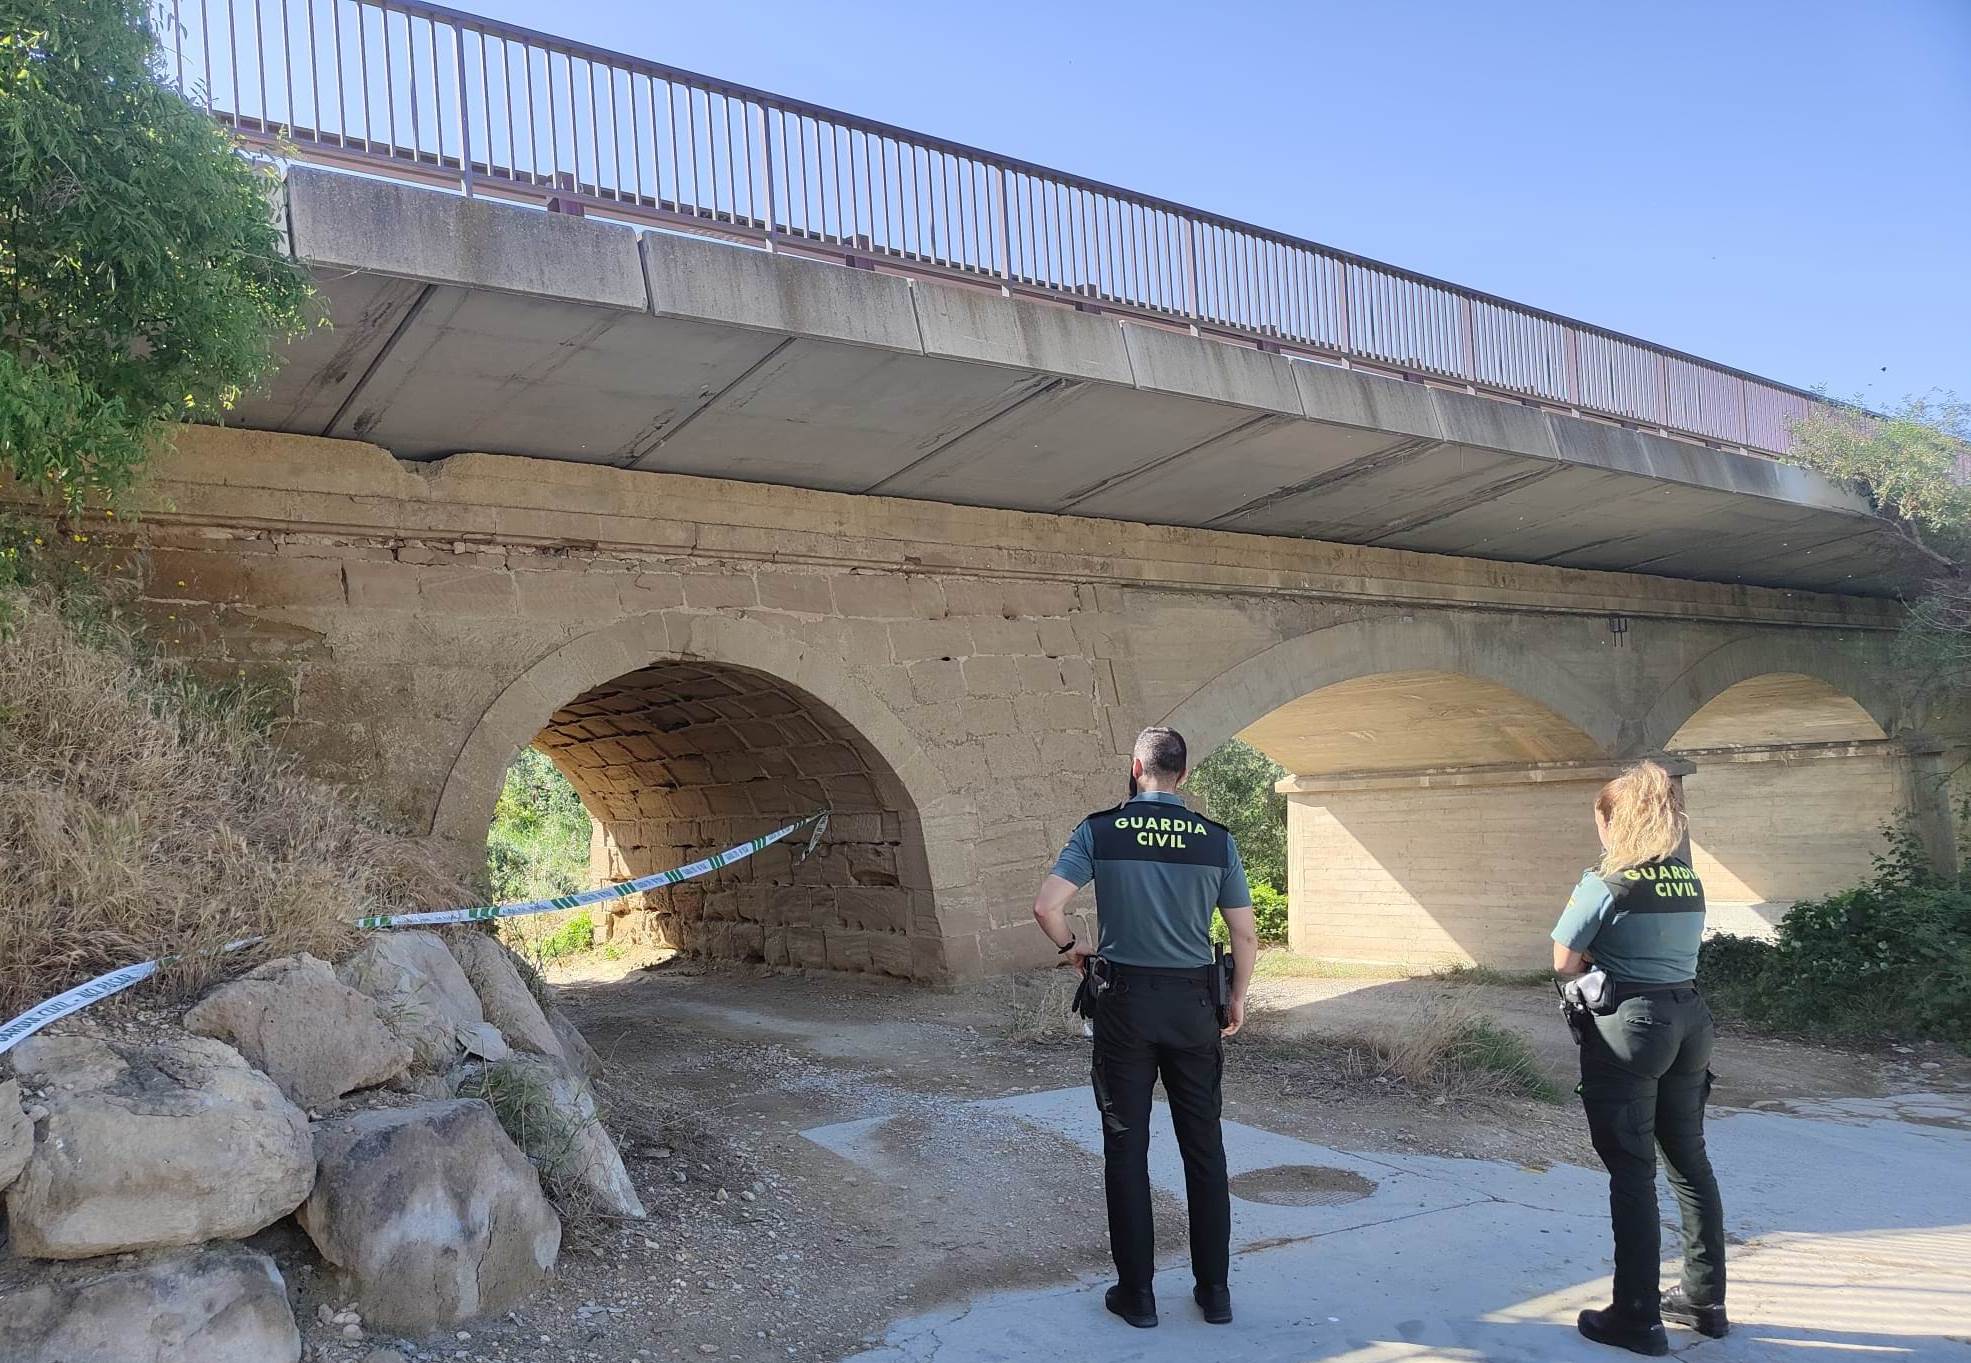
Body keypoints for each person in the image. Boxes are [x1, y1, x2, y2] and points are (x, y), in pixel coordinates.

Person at [1031, 725, 1259, 1331]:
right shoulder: (1217, 840)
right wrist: (1236, 997)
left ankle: (1138, 1297)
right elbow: (1243, 933)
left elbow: (1046, 906)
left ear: (1136, 768)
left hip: (1125, 1008)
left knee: (1127, 1151)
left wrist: (1071, 948)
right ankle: (1214, 1294)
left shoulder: (1100, 830)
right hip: (1193, 1009)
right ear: (1183, 776)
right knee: (1204, 1150)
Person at [1552, 760, 1729, 1357]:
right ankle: (1706, 1301)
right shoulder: (1688, 877)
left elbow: (1563, 958)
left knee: (1632, 1171)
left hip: (1631, 1028)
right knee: (1689, 1161)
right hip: (1690, 1020)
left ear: (1614, 820)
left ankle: (1636, 1315)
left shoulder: (1608, 881)